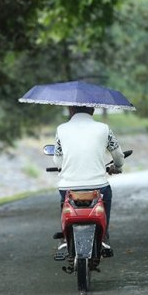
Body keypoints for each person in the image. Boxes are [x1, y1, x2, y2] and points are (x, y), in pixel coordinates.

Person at [53, 105, 125, 251]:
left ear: (70, 110)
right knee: (107, 196)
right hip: (98, 186)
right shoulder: (104, 128)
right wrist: (117, 167)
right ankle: (104, 235)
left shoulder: (61, 129)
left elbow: (58, 160)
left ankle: (64, 237)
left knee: (64, 200)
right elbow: (118, 156)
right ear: (92, 110)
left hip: (68, 186)